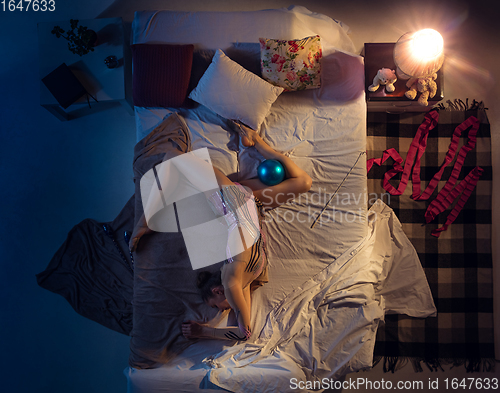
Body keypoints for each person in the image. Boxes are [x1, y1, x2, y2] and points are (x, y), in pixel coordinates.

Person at [181, 122, 312, 341]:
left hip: (233, 203)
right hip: (253, 203)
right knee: (304, 182)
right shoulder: (244, 283)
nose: (222, 311)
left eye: (217, 306)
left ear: (217, 291)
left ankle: (178, 162)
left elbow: (241, 322)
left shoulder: (231, 278)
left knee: (192, 166)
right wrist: (205, 331)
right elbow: (243, 335)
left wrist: (217, 327)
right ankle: (256, 141)